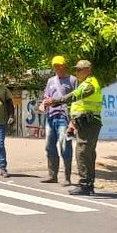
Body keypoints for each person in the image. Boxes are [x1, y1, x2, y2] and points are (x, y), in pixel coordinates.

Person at [43, 59, 102, 195]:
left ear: (88, 70)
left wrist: (55, 101)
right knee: (87, 153)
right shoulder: (84, 83)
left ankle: (85, 185)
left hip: (90, 122)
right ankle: (88, 184)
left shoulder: (90, 84)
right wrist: (73, 121)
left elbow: (74, 96)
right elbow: (77, 104)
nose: (77, 72)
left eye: (80, 70)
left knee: (82, 152)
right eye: (76, 69)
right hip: (84, 121)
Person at [38, 55, 77, 184]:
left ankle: (67, 177)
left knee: (65, 146)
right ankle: (52, 175)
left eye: (59, 65)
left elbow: (77, 99)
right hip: (50, 116)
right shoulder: (51, 81)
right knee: (49, 146)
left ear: (64, 65)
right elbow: (46, 97)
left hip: (64, 117)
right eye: (55, 66)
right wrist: (43, 105)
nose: (57, 68)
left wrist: (73, 120)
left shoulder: (72, 80)